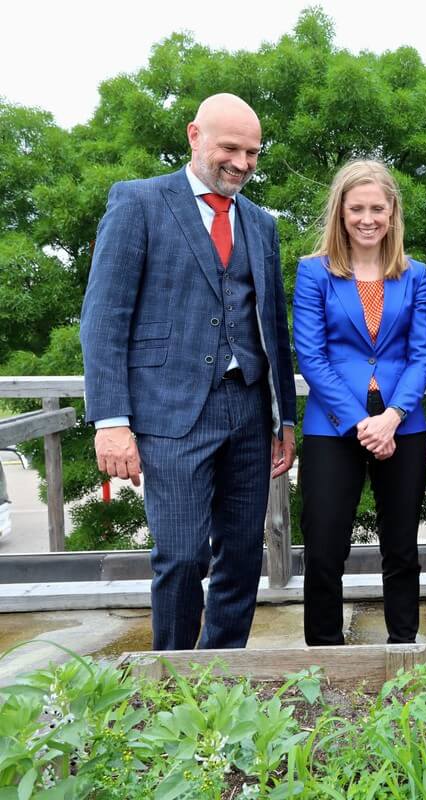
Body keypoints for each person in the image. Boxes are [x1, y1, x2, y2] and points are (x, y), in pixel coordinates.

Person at [80, 93, 297, 650]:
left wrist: (283, 421)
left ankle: (222, 674)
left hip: (248, 411)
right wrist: (111, 421)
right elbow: (104, 320)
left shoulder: (260, 223)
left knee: (243, 555)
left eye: (253, 152)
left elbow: (273, 329)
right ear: (194, 136)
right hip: (170, 412)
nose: (243, 163)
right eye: (231, 148)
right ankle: (172, 683)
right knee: (180, 555)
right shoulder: (139, 203)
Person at [292, 160, 426, 645]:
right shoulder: (313, 274)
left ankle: (402, 649)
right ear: (341, 211)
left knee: (402, 548)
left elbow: (422, 354)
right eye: (357, 208)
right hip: (333, 427)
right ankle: (325, 657)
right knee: (325, 548)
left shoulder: (415, 275)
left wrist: (392, 417)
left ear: (393, 213)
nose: (367, 218)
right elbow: (311, 356)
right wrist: (361, 422)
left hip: (403, 426)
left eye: (378, 208)